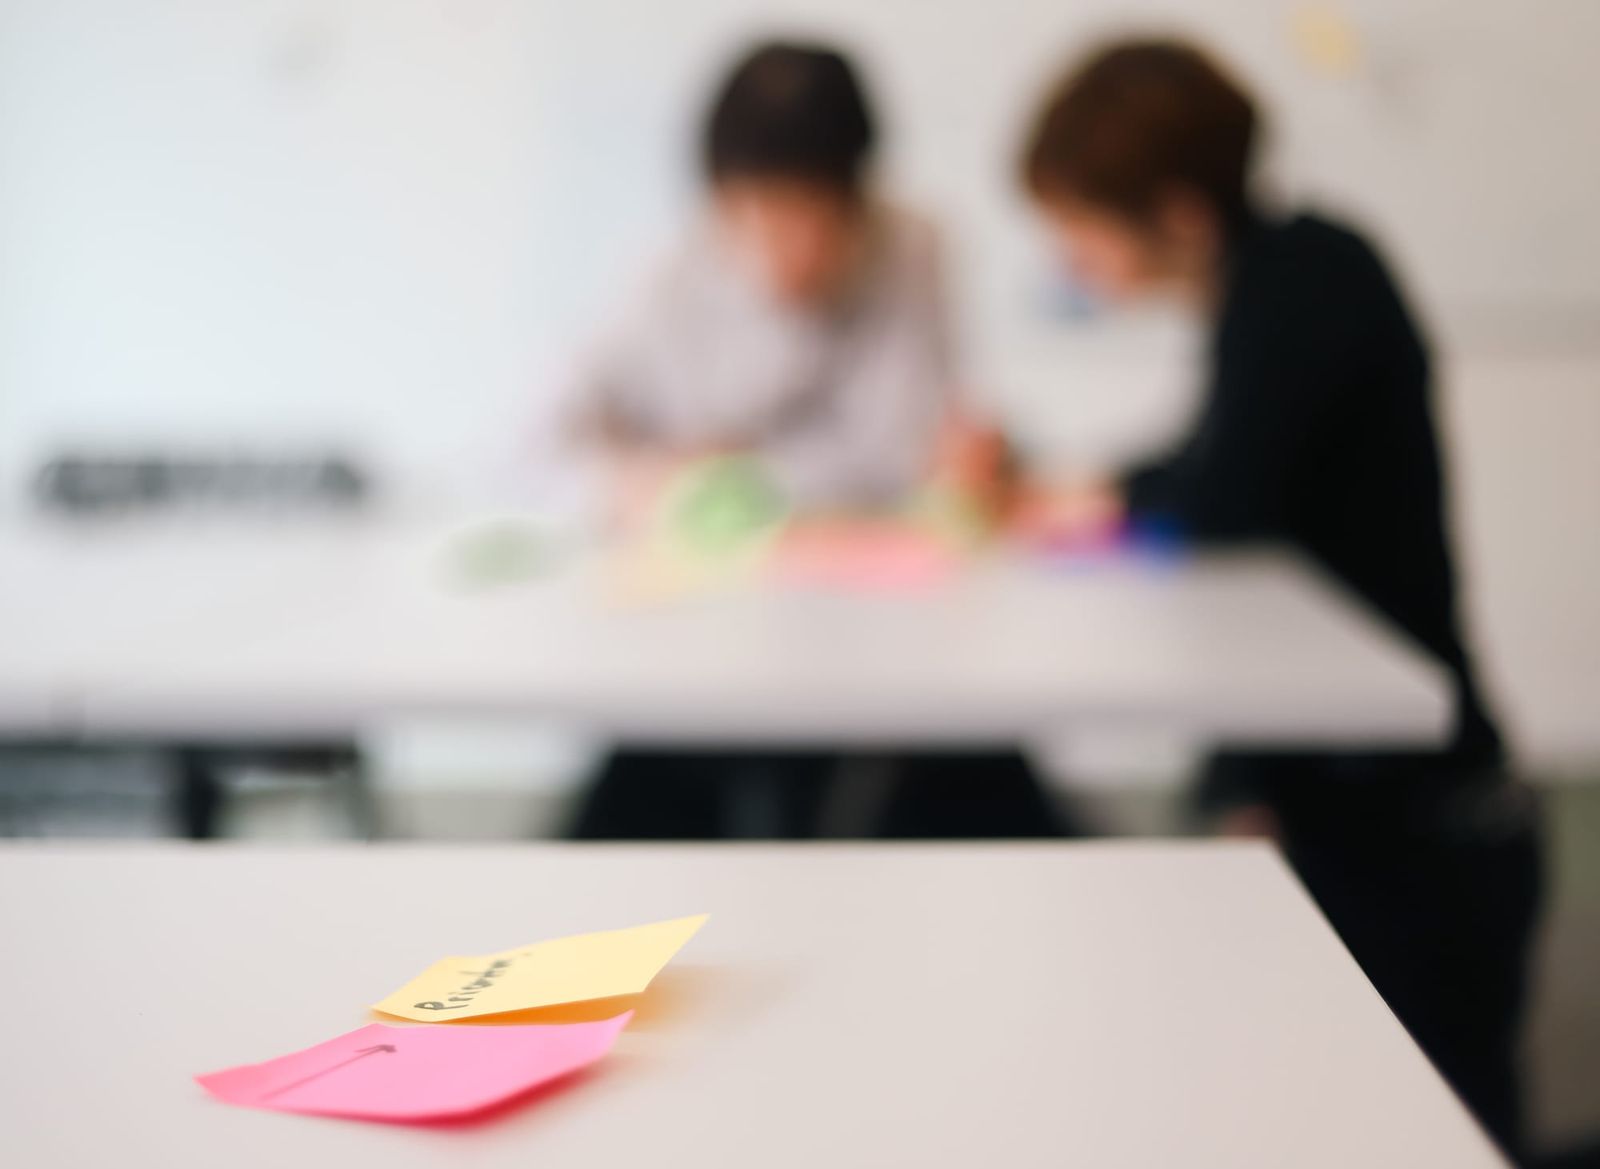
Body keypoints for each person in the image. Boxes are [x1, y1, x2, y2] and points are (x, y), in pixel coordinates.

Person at [1017, 39, 1542, 1156]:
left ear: (1176, 212)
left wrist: (1102, 498)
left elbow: (1224, 497)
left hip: (1418, 839)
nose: (1075, 263)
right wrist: (1104, 489)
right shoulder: (1274, 280)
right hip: (1361, 804)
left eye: (1084, 229)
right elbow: (1210, 465)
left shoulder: (1306, 278)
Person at [560, 41, 1065, 841]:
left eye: (811, 218)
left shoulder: (912, 247)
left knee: (973, 771)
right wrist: (642, 478)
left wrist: (730, 472)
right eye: (754, 217)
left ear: (860, 198)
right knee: (637, 800)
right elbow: (537, 446)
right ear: (719, 202)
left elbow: (900, 450)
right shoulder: (671, 273)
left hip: (886, 631)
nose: (785, 250)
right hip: (708, 633)